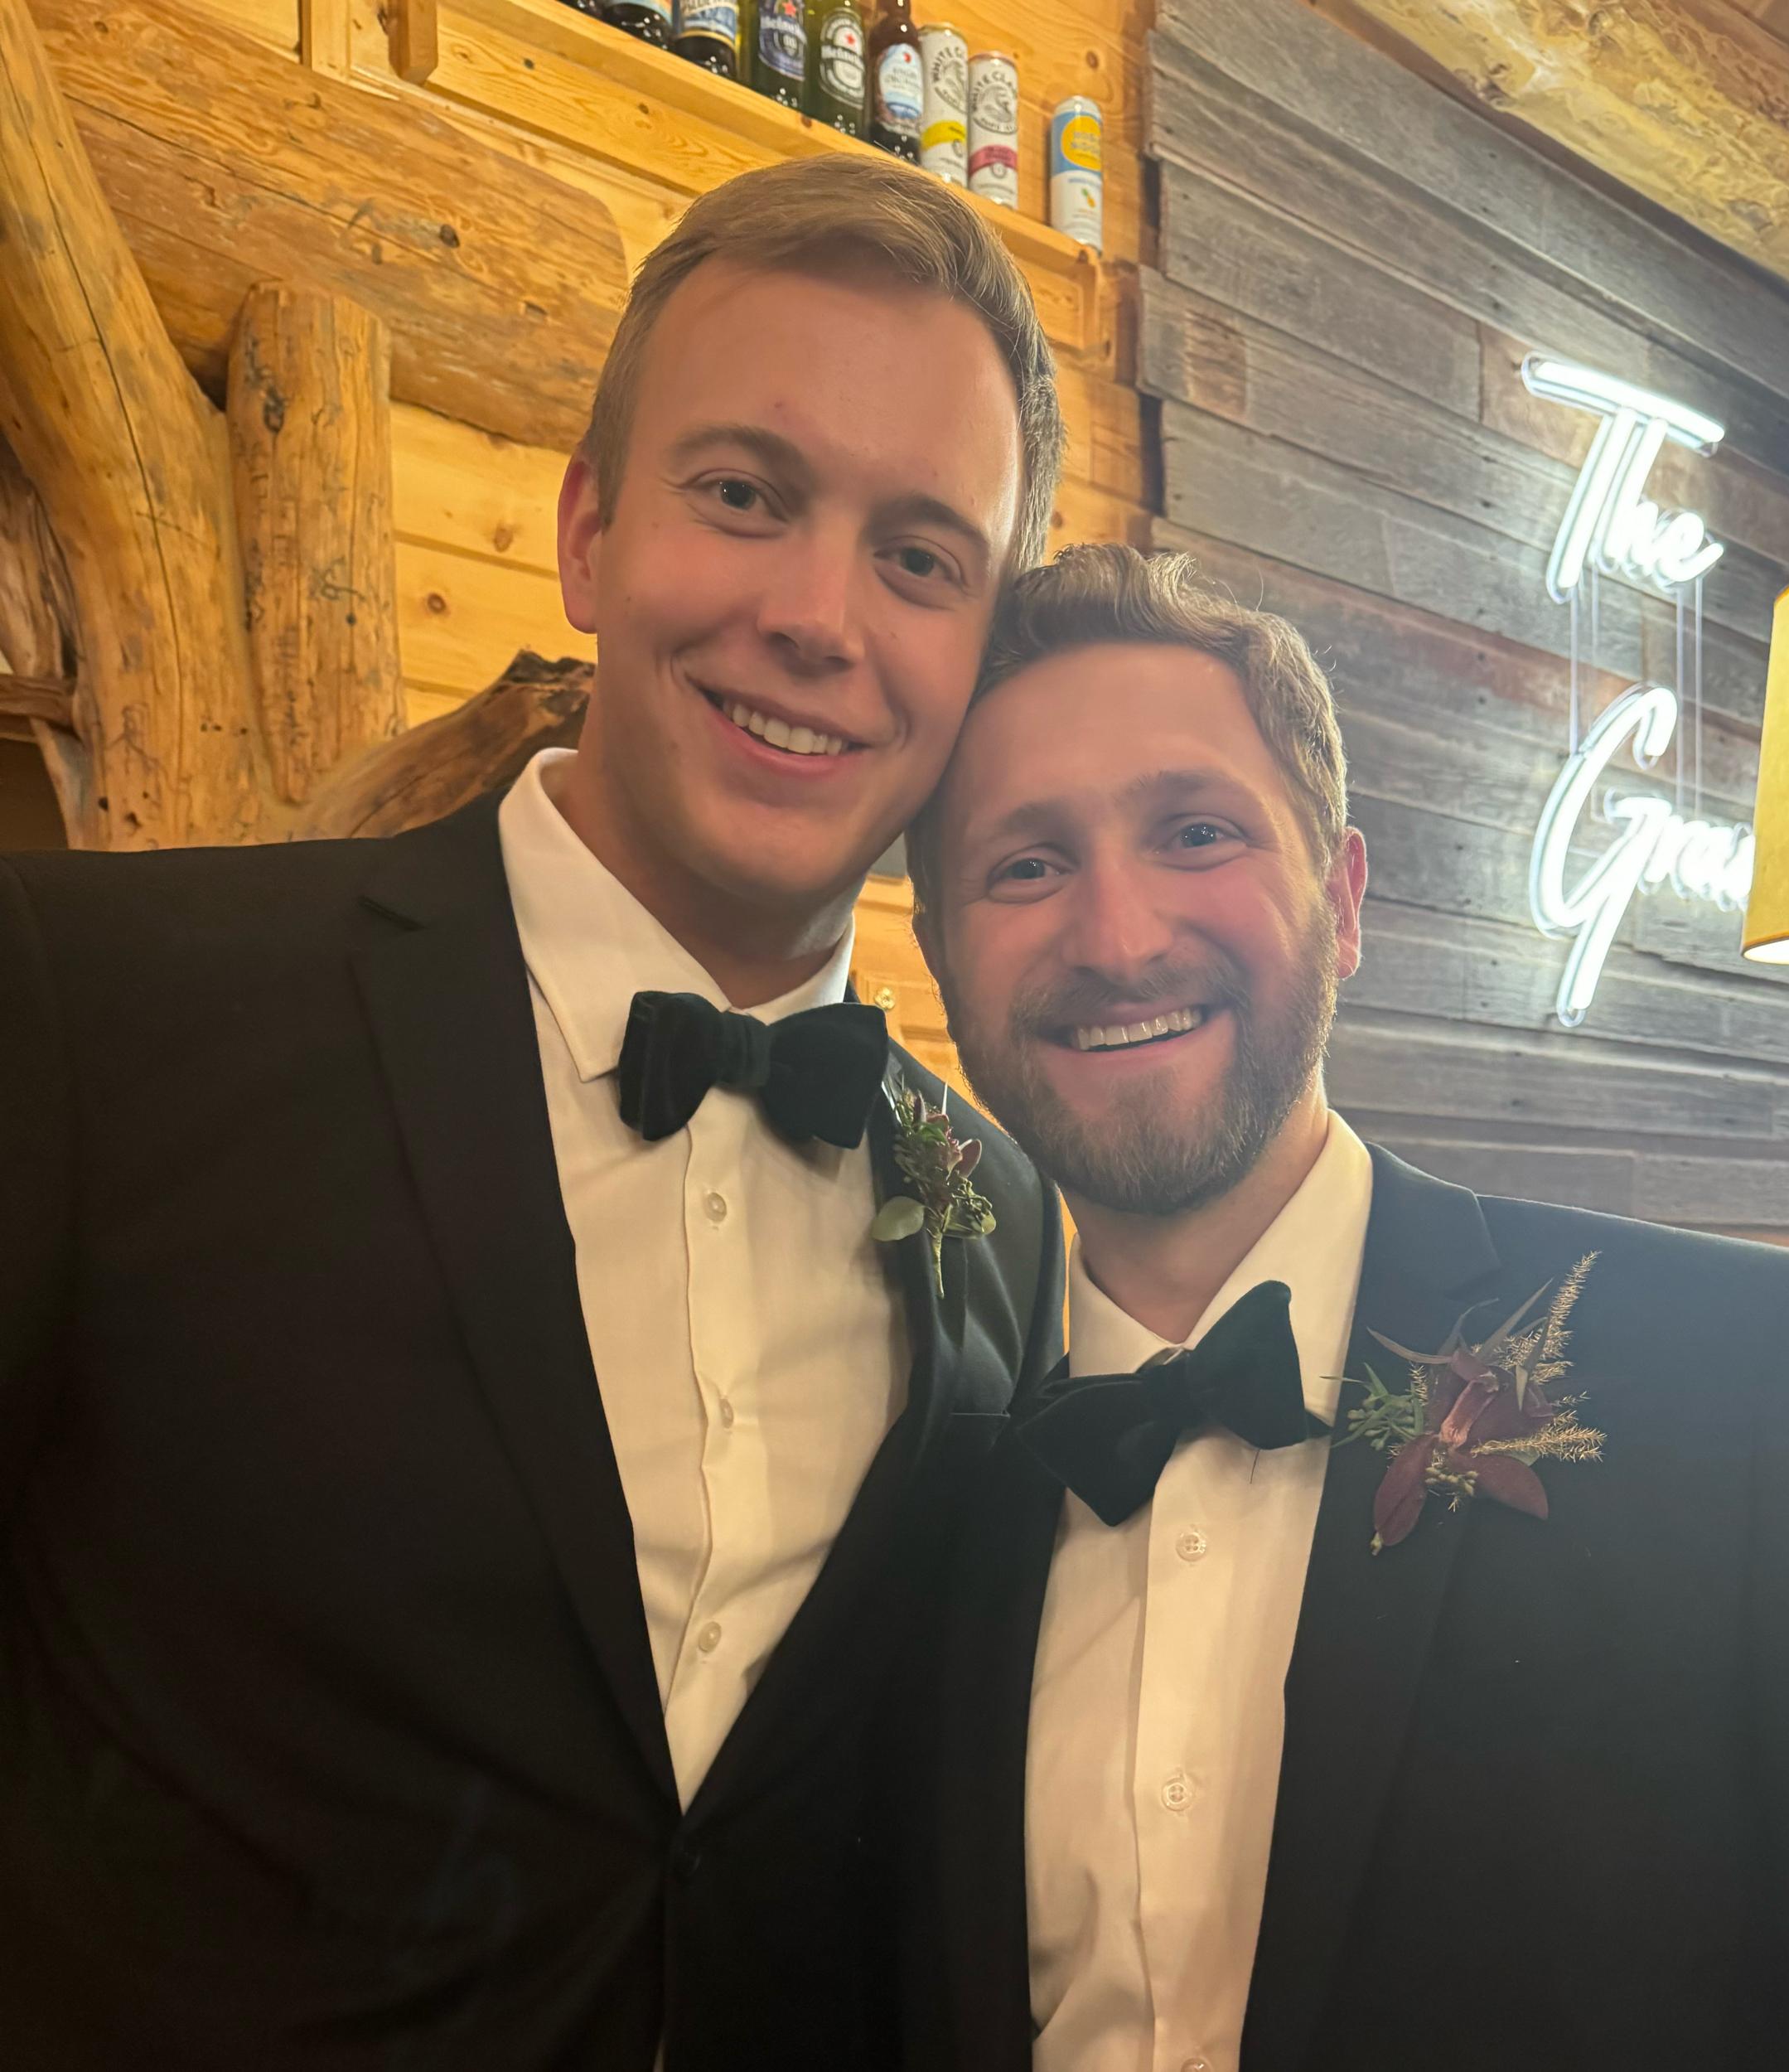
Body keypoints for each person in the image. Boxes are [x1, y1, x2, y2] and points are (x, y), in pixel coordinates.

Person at [0, 155, 1066, 2070]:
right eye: (742, 494)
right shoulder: (86, 1002)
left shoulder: (995, 1205)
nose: (816, 614)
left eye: (921, 557)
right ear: (586, 534)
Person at [897, 543, 1789, 2072]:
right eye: (1025, 865)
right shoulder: (931, 1517)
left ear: (1343, 897)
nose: (1117, 937)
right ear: (941, 950)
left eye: (1195, 832)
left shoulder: (1771, 1384)